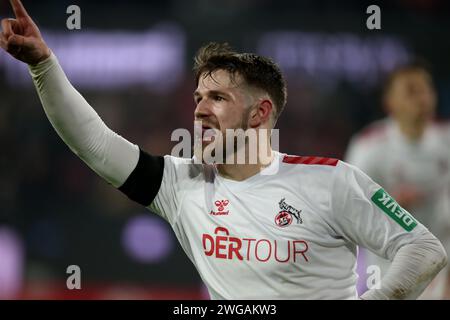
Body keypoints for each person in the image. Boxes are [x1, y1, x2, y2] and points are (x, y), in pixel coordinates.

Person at [1, 0, 447, 300]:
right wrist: (43, 66)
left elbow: (424, 249)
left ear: (259, 113)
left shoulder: (331, 181)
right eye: (197, 98)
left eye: (217, 98)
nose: (199, 111)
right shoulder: (182, 185)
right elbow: (94, 142)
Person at [346, 63, 450, 299]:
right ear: (390, 102)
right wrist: (390, 205)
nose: (422, 98)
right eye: (412, 91)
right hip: (391, 267)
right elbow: (350, 210)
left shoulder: (446, 139)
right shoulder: (369, 147)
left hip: (443, 265)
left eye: (427, 90)